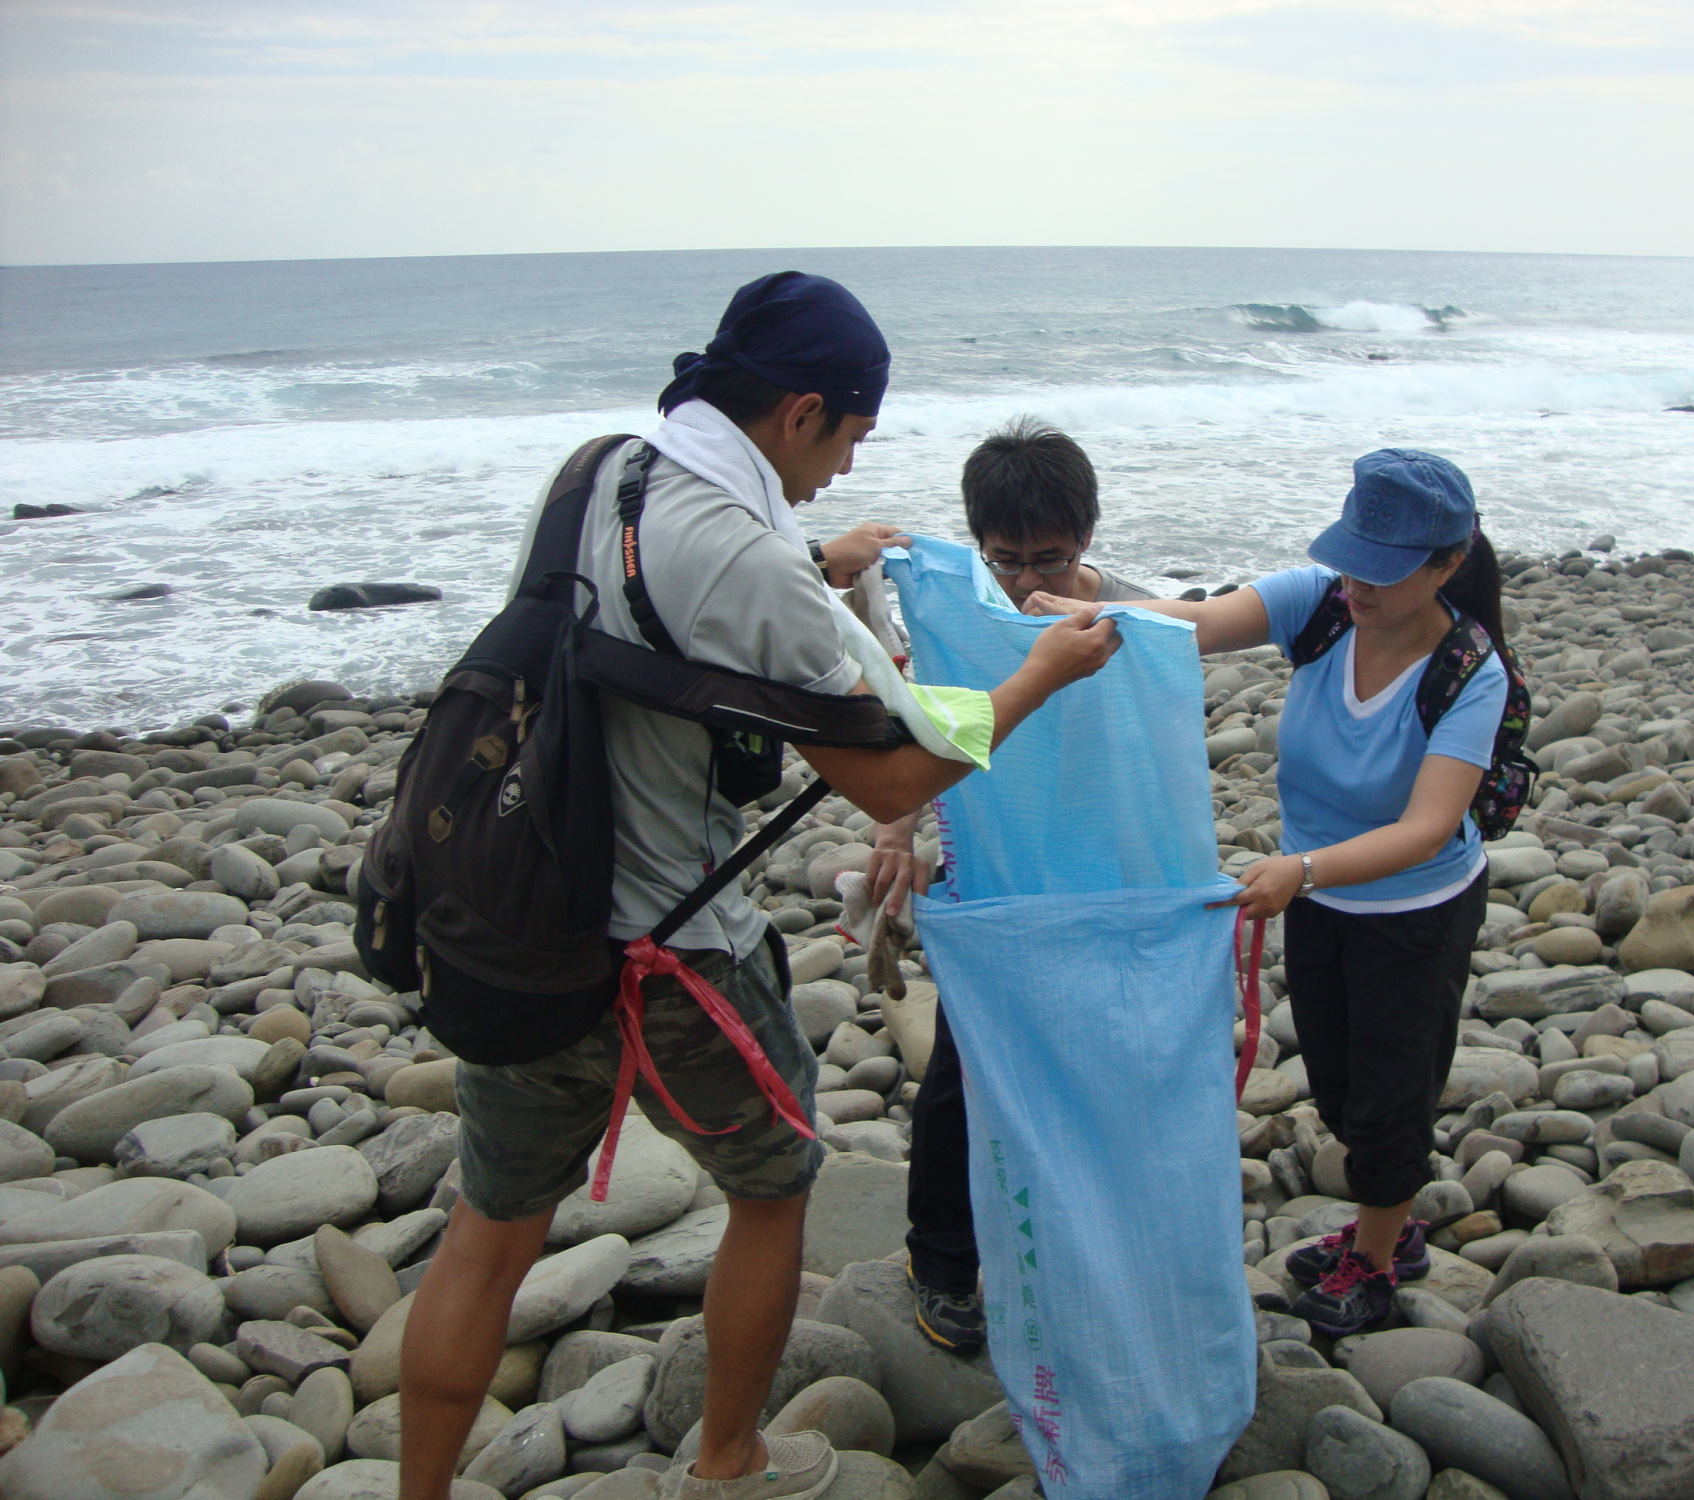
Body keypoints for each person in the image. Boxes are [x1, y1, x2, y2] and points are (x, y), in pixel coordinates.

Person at [396, 275, 1121, 1500]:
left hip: (512, 916)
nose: (842, 467)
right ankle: (726, 1460)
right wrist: (1041, 672)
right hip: (674, 958)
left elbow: (658, 598)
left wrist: (815, 560)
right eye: (846, 438)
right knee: (775, 1193)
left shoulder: (595, 470)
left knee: (490, 1230)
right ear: (798, 411)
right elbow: (888, 780)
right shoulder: (747, 559)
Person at [1027, 447, 1512, 1341]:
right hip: (1319, 896)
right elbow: (1194, 624)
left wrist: (1306, 870)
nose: (1358, 582)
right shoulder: (1321, 606)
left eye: (1384, 567)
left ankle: (1378, 1251)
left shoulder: (1470, 672)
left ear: (1447, 562)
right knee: (1332, 1072)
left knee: (1391, 1091)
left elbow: (1428, 827)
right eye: (1351, 555)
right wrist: (1087, 612)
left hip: (1414, 911)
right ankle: (1385, 1218)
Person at [861, 419, 1156, 1356]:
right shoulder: (962, 616)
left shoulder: (1136, 618)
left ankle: (1079, 1250)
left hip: (1101, 880)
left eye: (1053, 558)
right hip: (993, 877)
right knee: (965, 1069)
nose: (1029, 582)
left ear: (1090, 536)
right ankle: (940, 1259)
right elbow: (913, 717)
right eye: (1006, 558)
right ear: (977, 543)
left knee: (1098, 1069)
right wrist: (895, 829)